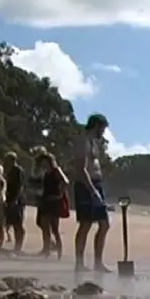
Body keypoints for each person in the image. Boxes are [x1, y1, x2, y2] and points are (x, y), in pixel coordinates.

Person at [73, 113, 111, 273]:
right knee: (85, 224)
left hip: (96, 183)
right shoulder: (83, 142)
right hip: (85, 185)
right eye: (102, 128)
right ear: (96, 126)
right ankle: (79, 264)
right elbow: (81, 168)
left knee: (104, 224)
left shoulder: (94, 143)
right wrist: (92, 189)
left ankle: (98, 262)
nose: (103, 132)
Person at [39, 152, 69, 259]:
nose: (43, 163)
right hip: (46, 201)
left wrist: (60, 195)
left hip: (54, 202)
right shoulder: (46, 172)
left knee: (55, 229)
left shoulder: (56, 170)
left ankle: (59, 255)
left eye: (45, 161)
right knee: (45, 229)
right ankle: (46, 252)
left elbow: (66, 181)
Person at [4, 151, 26, 253]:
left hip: (17, 200)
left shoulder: (18, 170)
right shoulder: (10, 171)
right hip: (10, 199)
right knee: (13, 222)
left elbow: (20, 186)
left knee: (18, 223)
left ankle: (19, 247)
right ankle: (17, 246)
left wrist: (16, 200)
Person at [28, 146, 47, 254]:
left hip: (44, 196)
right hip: (39, 196)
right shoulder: (35, 166)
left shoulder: (43, 167)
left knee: (43, 222)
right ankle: (49, 245)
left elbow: (40, 180)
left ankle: (48, 246)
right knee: (40, 222)